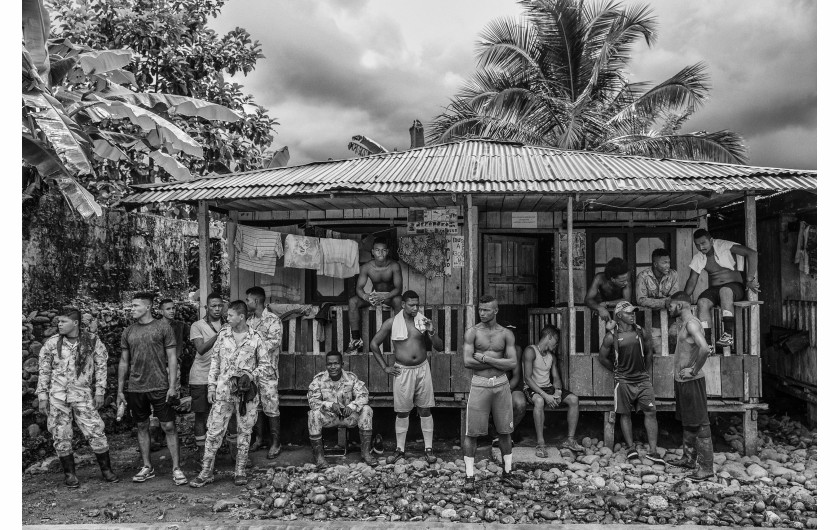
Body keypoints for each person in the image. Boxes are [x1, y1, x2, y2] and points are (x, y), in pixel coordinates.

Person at [189, 300, 272, 487]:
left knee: (244, 431)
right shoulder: (223, 335)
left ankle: (240, 470)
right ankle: (206, 471)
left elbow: (266, 365)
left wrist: (251, 375)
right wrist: (211, 387)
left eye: (231, 315)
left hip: (246, 394)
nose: (227, 318)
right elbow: (215, 363)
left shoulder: (256, 337)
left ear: (241, 317)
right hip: (224, 391)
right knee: (214, 431)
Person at [37, 306, 119, 487]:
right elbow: (44, 370)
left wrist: (100, 391)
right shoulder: (52, 344)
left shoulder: (91, 341)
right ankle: (70, 475)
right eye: (58, 321)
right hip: (58, 398)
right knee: (60, 434)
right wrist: (42, 396)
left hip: (82, 395)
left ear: (75, 323)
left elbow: (101, 366)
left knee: (96, 430)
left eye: (63, 321)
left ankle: (106, 470)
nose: (59, 324)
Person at [117, 292, 186, 485]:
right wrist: (120, 390)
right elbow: (124, 361)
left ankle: (176, 468)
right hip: (136, 387)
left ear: (147, 307)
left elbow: (172, 358)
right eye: (132, 306)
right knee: (141, 425)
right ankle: (147, 466)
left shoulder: (163, 327)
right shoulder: (128, 331)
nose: (132, 309)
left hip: (160, 385)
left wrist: (172, 386)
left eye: (136, 306)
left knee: (169, 426)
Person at [370, 290, 443, 464]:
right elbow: (374, 344)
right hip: (402, 370)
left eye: (417, 304)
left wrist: (432, 333)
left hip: (422, 369)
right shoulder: (392, 322)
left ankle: (428, 449)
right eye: (411, 305)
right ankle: (400, 450)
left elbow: (439, 347)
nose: (415, 308)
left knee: (425, 409)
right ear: (403, 305)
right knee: (403, 412)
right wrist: (385, 367)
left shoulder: (423, 322)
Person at [461, 295, 523, 492]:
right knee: (472, 432)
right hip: (479, 383)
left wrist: (485, 358)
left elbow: (513, 363)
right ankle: (469, 477)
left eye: (486, 310)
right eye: (480, 309)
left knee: (505, 431)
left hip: (501, 384)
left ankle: (507, 473)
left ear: (495, 311)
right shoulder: (472, 332)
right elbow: (468, 362)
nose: (482, 313)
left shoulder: (505, 334)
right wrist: (498, 361)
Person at [597, 301, 666, 466]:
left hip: (642, 379)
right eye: (628, 313)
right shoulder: (611, 336)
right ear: (619, 315)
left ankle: (654, 451)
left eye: (633, 312)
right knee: (625, 413)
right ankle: (630, 448)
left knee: (651, 412)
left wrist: (645, 371)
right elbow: (602, 358)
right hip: (623, 380)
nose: (632, 314)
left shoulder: (640, 331)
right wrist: (616, 372)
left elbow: (649, 351)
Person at [684, 229, 759, 351]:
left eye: (703, 243)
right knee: (702, 302)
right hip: (715, 289)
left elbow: (752, 254)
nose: (701, 247)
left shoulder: (724, 246)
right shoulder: (698, 257)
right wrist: (684, 298)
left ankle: (728, 334)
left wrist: (750, 279)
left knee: (725, 291)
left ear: (711, 241)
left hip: (734, 287)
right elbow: (692, 280)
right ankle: (707, 343)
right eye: (697, 244)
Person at [667, 292, 715, 481]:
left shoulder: (692, 324)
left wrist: (694, 370)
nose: (669, 309)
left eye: (671, 305)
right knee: (689, 420)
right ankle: (688, 459)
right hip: (683, 382)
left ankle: (706, 467)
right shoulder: (686, 324)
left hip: (691, 381)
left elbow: (705, 348)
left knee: (701, 422)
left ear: (680, 305)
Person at [307, 351, 377, 468]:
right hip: (329, 417)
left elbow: (363, 395)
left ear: (342, 364)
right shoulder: (318, 380)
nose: (333, 367)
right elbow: (312, 402)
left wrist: (352, 406)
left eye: (336, 363)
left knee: (366, 409)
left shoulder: (351, 378)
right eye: (329, 364)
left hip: (348, 417)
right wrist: (330, 405)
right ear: (326, 365)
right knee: (313, 414)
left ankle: (366, 453)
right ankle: (319, 458)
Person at [522, 325, 583, 458]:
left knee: (574, 400)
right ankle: (541, 444)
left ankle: (570, 440)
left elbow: (556, 378)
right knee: (539, 401)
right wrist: (545, 396)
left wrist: (557, 393)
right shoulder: (530, 351)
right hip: (532, 388)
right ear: (549, 337)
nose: (556, 345)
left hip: (547, 387)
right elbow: (527, 378)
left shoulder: (551, 356)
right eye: (556, 340)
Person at [346, 237, 403, 353]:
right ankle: (356, 340)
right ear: (372, 252)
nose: (380, 253)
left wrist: (385, 296)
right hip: (375, 296)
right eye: (377, 250)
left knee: (398, 300)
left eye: (383, 250)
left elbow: (398, 289)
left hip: (389, 297)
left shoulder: (394, 266)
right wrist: (365, 296)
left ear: (387, 251)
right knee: (353, 301)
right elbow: (359, 288)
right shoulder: (367, 267)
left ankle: (399, 336)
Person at [244, 286, 283, 459]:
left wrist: (252, 346)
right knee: (255, 406)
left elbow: (273, 343)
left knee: (271, 407)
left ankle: (276, 443)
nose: (247, 303)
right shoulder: (249, 321)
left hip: (268, 371)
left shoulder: (273, 320)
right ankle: (258, 439)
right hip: (252, 372)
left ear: (257, 301)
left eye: (248, 300)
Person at [189, 292, 225, 451]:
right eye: (213, 306)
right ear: (206, 307)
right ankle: (202, 454)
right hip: (200, 377)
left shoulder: (227, 323)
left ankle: (220, 450)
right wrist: (219, 335)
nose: (217, 309)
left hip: (221, 378)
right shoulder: (197, 326)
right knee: (200, 415)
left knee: (221, 414)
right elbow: (201, 349)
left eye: (220, 306)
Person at [635, 248, 681, 355]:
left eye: (668, 262)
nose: (668, 265)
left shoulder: (673, 274)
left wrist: (655, 302)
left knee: (676, 351)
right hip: (651, 321)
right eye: (664, 263)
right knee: (660, 352)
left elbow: (674, 298)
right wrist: (664, 302)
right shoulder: (643, 276)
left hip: (671, 319)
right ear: (655, 264)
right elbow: (641, 300)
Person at [585, 257, 632, 322]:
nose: (626, 282)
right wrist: (600, 308)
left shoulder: (625, 278)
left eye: (627, 279)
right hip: (603, 314)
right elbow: (588, 299)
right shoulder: (599, 278)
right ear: (612, 279)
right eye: (622, 281)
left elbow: (627, 300)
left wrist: (606, 303)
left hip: (621, 314)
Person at [159, 298, 189, 387]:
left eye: (173, 308)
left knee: (174, 394)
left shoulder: (180, 326)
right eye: (168, 309)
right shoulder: (154, 327)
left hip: (174, 366)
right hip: (158, 366)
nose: (172, 311)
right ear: (161, 311)